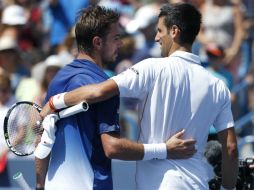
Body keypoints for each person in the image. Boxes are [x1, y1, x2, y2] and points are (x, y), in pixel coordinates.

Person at [41, 3, 239, 189]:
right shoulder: (219, 86)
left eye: (159, 30)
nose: (156, 38)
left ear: (174, 31)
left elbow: (98, 91)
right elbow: (230, 148)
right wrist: (228, 186)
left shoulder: (149, 68)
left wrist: (54, 102)